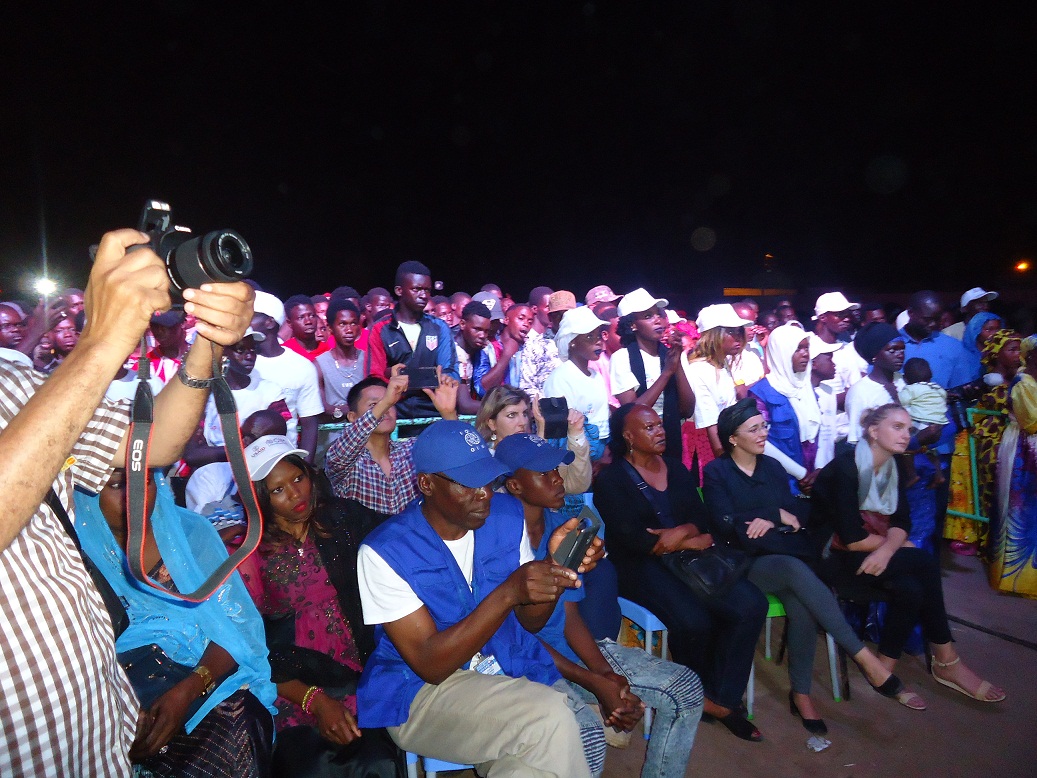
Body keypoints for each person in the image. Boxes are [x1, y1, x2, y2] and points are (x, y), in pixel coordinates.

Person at [0, 226, 253, 776]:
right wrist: (102, 339)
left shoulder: (10, 377)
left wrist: (209, 338)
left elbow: (152, 443)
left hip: (97, 731)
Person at [355, 421, 602, 776]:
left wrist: (555, 570)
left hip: (503, 668)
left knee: (528, 767)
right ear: (427, 484)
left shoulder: (506, 514)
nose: (484, 493)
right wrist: (508, 593)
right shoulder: (385, 551)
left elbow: (530, 620)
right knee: (549, 714)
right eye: (468, 483)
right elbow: (431, 664)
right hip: (420, 694)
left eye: (486, 479)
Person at [496, 434, 703, 778]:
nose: (557, 479)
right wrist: (594, 681)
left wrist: (604, 671)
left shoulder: (560, 528)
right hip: (523, 665)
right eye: (543, 473)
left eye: (556, 470)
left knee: (685, 688)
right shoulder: (494, 535)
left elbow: (570, 615)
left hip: (570, 656)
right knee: (585, 736)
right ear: (515, 485)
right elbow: (514, 636)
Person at [703, 400, 917, 730]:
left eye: (764, 426)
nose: (764, 434)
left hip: (780, 556)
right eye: (755, 429)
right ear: (733, 438)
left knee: (801, 599)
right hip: (742, 564)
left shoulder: (772, 468)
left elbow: (797, 518)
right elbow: (723, 521)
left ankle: (801, 693)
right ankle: (863, 657)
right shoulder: (717, 472)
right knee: (794, 571)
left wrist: (773, 520)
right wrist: (771, 516)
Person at [75, 469, 277, 776]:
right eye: (117, 485)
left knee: (235, 725)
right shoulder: (73, 560)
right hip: (122, 700)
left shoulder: (190, 532)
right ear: (86, 495)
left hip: (207, 680)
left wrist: (188, 690)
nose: (136, 497)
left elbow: (238, 630)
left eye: (142, 482)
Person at [594, 404, 768, 742]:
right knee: (693, 621)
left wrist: (684, 532)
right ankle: (698, 695)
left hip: (691, 559)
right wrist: (691, 540)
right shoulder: (612, 480)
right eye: (649, 427)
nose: (660, 431)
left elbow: (701, 518)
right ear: (628, 436)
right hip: (639, 565)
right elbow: (635, 540)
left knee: (750, 605)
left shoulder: (675, 467)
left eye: (660, 424)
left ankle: (720, 698)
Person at [812, 404, 1006, 705]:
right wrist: (894, 546)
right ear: (874, 432)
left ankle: (884, 669)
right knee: (924, 562)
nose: (906, 435)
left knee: (912, 589)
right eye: (897, 427)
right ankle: (945, 658)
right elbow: (850, 539)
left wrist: (890, 549)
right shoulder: (846, 468)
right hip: (831, 558)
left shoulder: (891, 467)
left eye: (909, 429)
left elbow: (903, 523)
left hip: (869, 550)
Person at [239, 435, 406, 776]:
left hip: (365, 676)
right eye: (277, 489)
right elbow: (249, 647)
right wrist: (314, 700)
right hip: (292, 686)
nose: (295, 493)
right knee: (309, 765)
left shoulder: (343, 520)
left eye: (297, 478)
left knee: (378, 762)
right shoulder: (251, 555)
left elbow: (400, 535)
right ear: (259, 498)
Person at [324, 365, 459, 520]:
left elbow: (457, 454)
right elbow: (341, 451)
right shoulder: (346, 460)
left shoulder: (411, 450)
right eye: (374, 404)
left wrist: (448, 413)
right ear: (352, 417)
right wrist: (386, 401)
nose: (387, 408)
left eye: (391, 403)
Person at [945, 330, 1021, 556]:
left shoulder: (1021, 379)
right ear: (997, 353)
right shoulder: (988, 383)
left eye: (1020, 349)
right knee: (991, 489)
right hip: (992, 443)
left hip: (1017, 441)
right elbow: (954, 396)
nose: (1019, 355)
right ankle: (990, 540)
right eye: (1012, 350)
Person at [366, 261, 459, 421]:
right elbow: (375, 377)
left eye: (427, 290)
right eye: (416, 289)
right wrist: (426, 376)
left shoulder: (439, 327)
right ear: (399, 290)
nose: (424, 295)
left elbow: (449, 371)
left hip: (434, 410)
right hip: (395, 413)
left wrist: (397, 374)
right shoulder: (381, 329)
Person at [184, 328, 289, 469]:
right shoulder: (205, 395)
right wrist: (247, 450)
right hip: (214, 476)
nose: (250, 356)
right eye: (240, 350)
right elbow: (192, 454)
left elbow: (280, 444)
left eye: (253, 349)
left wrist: (220, 452)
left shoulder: (271, 392)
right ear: (221, 353)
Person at [611, 288, 695, 462]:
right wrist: (667, 373)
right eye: (648, 316)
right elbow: (631, 414)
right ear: (632, 325)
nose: (657, 319)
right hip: (638, 448)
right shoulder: (622, 358)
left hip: (670, 440)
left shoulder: (671, 355)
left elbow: (687, 409)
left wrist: (677, 363)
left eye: (659, 314)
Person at [475, 385, 592, 495]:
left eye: (525, 414)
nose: (523, 422)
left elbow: (576, 486)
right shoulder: (480, 461)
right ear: (491, 423)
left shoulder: (535, 450)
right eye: (512, 415)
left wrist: (576, 433)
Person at [748, 324, 821, 493]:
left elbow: (818, 433)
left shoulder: (806, 387)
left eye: (806, 348)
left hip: (814, 480)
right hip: (782, 482)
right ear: (781, 353)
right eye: (797, 349)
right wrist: (801, 474)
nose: (805, 354)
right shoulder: (761, 392)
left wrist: (818, 472)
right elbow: (761, 441)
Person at [991, 335, 1037, 597]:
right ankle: (1019, 578)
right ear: (1030, 356)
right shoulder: (1023, 383)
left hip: (1030, 445)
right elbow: (1032, 421)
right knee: (1021, 509)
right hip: (1024, 447)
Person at [682, 303, 753, 470]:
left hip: (726, 438)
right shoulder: (699, 370)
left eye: (739, 331)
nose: (738, 337)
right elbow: (710, 424)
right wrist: (729, 466)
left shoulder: (722, 363)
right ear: (713, 335)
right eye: (730, 331)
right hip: (705, 446)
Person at [251, 293, 323, 455]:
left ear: (269, 322)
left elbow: (309, 425)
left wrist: (304, 467)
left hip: (283, 458)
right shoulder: (240, 362)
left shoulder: (302, 367)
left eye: (250, 316)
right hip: (240, 461)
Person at [543, 307, 612, 449]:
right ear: (572, 342)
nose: (598, 341)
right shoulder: (559, 378)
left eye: (598, 335)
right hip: (576, 455)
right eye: (589, 337)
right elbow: (559, 431)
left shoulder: (595, 375)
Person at [898, 358, 949, 489]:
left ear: (906, 378)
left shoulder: (911, 389)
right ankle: (939, 475)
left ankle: (911, 475)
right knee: (931, 450)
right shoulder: (937, 388)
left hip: (921, 423)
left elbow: (900, 403)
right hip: (939, 424)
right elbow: (944, 398)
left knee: (907, 449)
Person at [315, 298, 368, 420]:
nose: (349, 330)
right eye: (342, 324)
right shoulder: (319, 364)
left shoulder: (368, 360)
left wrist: (337, 410)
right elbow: (322, 409)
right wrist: (357, 409)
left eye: (353, 323)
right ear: (330, 328)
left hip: (366, 435)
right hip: (332, 435)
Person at [452, 300, 496, 411]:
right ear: (462, 324)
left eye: (486, 331)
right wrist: (500, 408)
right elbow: (464, 405)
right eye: (477, 329)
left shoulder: (479, 350)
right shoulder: (455, 353)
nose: (482, 335)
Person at [283, 295, 332, 361]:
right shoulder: (284, 353)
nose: (308, 321)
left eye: (312, 316)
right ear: (289, 323)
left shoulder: (329, 352)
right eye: (301, 317)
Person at [960, 310, 1003, 382]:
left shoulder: (1002, 351)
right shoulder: (964, 355)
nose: (995, 334)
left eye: (998, 329)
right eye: (989, 329)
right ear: (976, 331)